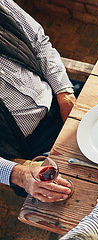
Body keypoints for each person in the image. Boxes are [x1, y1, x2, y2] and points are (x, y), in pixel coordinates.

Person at [0, 0, 76, 201]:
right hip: (27, 150)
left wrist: (64, 92)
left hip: (57, 97)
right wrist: (18, 173)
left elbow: (39, 42)